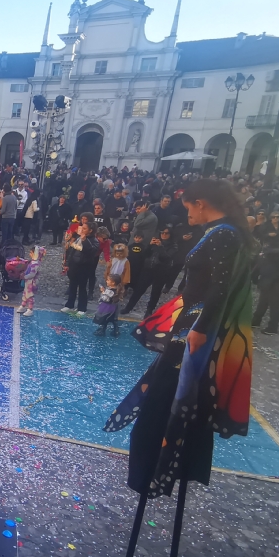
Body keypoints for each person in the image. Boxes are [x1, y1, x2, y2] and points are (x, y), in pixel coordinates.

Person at [107, 178, 255, 499]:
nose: (186, 214)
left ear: (200, 203)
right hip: (191, 325)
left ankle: (157, 467)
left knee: (172, 397)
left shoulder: (223, 235)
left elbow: (220, 287)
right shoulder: (223, 233)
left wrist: (200, 329)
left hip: (195, 329)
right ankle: (154, 466)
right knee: (165, 394)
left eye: (188, 207)